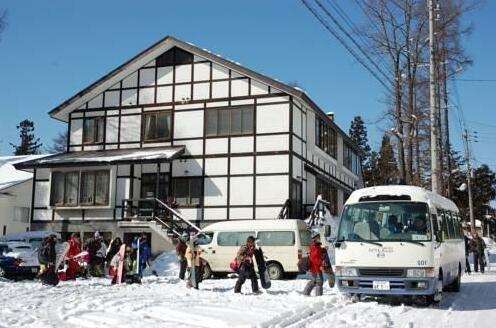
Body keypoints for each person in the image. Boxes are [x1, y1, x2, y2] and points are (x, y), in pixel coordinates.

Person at [303, 232, 326, 296]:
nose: (319, 238)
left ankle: (306, 292)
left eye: (319, 237)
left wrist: (323, 250)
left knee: (314, 281)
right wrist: (321, 262)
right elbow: (313, 258)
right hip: (315, 267)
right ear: (314, 239)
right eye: (318, 237)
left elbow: (318, 252)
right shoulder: (314, 247)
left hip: (316, 267)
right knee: (319, 281)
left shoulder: (317, 246)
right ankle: (318, 295)